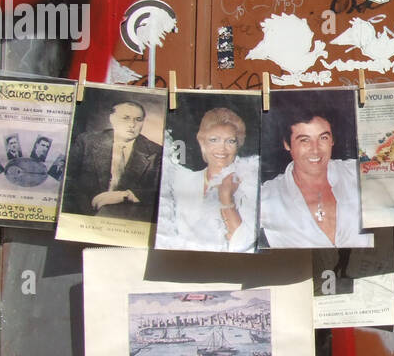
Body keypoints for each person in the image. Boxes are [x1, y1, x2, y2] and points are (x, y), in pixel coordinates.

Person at [259, 104, 372, 248]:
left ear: (332, 140)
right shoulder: (266, 197)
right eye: (304, 140)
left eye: (323, 138)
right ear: (287, 144)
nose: (315, 149)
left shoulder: (359, 173)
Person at [156, 107, 259, 252]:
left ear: (238, 145)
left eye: (230, 141)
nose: (222, 149)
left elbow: (242, 244)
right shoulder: (182, 180)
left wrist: (225, 197)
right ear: (202, 143)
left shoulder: (250, 185)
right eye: (214, 140)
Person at [62, 98, 162, 221]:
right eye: (126, 118)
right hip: (84, 215)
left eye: (138, 119)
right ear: (112, 119)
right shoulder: (87, 141)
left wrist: (126, 195)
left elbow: (159, 192)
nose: (132, 124)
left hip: (127, 220)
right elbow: (68, 180)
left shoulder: (156, 151)